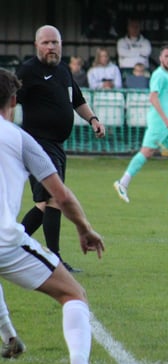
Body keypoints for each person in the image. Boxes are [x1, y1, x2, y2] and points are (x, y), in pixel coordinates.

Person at [0, 68, 111, 364]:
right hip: (4, 242)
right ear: (13, 100)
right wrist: (84, 228)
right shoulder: (19, 139)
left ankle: (10, 339)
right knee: (74, 294)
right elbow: (60, 195)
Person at [18, 25, 106, 274]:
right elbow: (11, 99)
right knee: (56, 198)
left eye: (54, 43)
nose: (51, 47)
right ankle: (54, 260)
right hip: (37, 145)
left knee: (44, 205)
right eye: (45, 43)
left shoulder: (64, 71)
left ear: (61, 44)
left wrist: (93, 120)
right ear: (37, 45)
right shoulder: (28, 71)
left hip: (56, 146)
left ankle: (7, 248)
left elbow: (77, 101)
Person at [113, 45, 168, 204]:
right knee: (147, 152)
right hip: (159, 122)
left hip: (167, 122)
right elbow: (153, 98)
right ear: (160, 58)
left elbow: (165, 102)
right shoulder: (159, 75)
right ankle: (122, 183)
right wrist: (165, 120)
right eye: (166, 56)